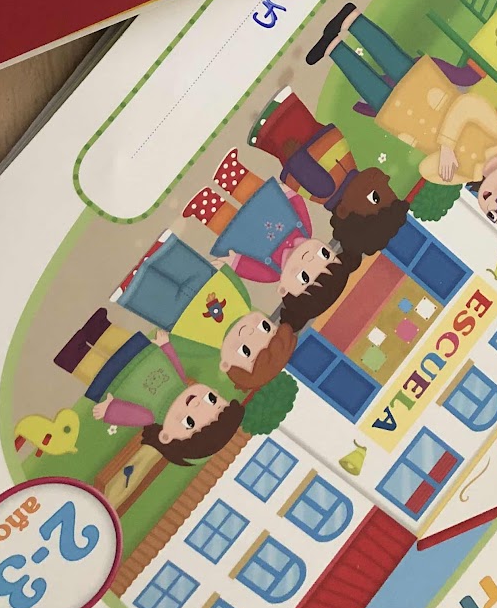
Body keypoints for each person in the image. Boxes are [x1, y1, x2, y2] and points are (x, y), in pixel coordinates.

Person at [307, 2, 497, 240]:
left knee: (367, 85)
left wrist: (454, 171)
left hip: (403, 122)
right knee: (390, 57)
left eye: (493, 215)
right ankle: (353, 21)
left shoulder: (466, 173)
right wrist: (447, 146)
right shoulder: (493, 136)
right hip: (426, 90)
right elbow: (467, 106)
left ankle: (334, 48)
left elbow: (426, 168)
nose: (492, 203)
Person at [183, 156, 361, 326]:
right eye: (324, 255)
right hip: (269, 204)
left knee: (223, 219)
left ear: (284, 289)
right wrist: (289, 193)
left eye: (304, 277)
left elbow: (250, 268)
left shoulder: (271, 274)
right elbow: (299, 208)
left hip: (242, 234)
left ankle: (202, 204)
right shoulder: (305, 230)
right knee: (251, 188)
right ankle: (230, 171)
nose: (310, 259)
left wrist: (232, 260)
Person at [108, 233, 291, 393]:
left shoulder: (209, 348)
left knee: (153, 297)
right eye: (265, 328)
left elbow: (190, 348)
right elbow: (237, 287)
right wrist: (225, 269)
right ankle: (165, 249)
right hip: (206, 281)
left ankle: (131, 289)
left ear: (225, 364)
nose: (251, 333)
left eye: (246, 351)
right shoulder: (244, 304)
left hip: (177, 314)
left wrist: (168, 342)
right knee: (183, 263)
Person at [54, 315, 243, 466]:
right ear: (215, 392)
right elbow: (175, 366)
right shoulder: (180, 383)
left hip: (115, 380)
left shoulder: (150, 416)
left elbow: (129, 414)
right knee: (118, 340)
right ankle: (100, 329)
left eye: (189, 422)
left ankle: (74, 354)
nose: (196, 404)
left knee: (93, 366)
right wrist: (165, 346)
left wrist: (109, 410)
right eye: (211, 400)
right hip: (143, 354)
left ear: (166, 435)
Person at [249, 85, 410, 255]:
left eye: (375, 196)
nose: (383, 179)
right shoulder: (347, 175)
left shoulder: (327, 188)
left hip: (299, 142)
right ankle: (278, 114)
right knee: (301, 121)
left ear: (344, 211)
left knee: (290, 124)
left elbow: (306, 173)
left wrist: (295, 156)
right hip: (313, 139)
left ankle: (272, 118)